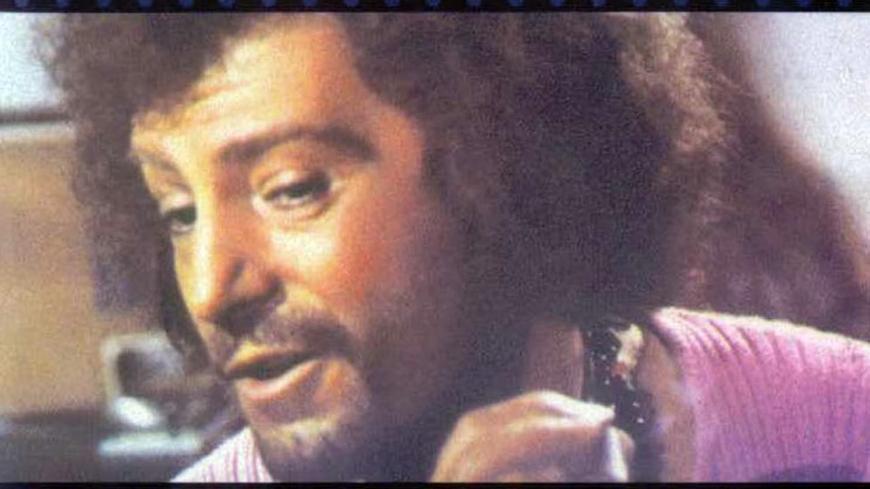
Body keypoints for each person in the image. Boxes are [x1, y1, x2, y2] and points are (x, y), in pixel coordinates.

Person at [44, 13, 870, 482]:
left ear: (511, 160)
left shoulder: (840, 424)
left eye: (292, 188)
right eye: (179, 211)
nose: (210, 285)